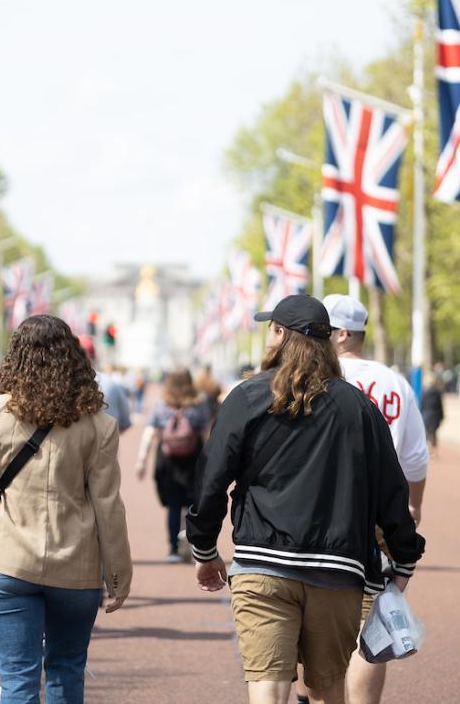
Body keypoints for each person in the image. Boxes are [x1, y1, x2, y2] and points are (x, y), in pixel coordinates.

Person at [186, 294, 425, 704]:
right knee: (328, 689)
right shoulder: (360, 407)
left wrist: (204, 548)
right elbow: (391, 491)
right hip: (337, 570)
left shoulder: (246, 398)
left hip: (262, 562)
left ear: (279, 334)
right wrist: (404, 556)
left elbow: (211, 480)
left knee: (268, 687)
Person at [0, 315, 132, 703]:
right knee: (66, 671)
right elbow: (108, 506)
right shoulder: (99, 424)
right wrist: (118, 574)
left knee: (17, 677)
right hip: (76, 566)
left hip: (8, 558)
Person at [322, 293, 429, 704]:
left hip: (324, 511)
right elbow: (416, 458)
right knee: (372, 622)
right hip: (383, 514)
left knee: (314, 615)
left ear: (342, 334)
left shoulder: (317, 376)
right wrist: (413, 505)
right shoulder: (394, 382)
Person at [135, 367, 210, 563]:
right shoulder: (198, 404)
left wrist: (141, 461)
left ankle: (173, 550)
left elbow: (150, 433)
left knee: (173, 507)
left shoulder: (161, 404)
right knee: (193, 506)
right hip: (193, 462)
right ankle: (193, 545)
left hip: (167, 463)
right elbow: (206, 434)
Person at [78, 334, 131, 432]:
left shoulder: (62, 384)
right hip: (106, 441)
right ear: (94, 357)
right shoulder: (111, 383)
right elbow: (125, 422)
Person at [421, 372, 444, 454]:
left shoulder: (425, 392)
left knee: (427, 433)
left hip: (427, 415)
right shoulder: (438, 392)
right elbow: (440, 405)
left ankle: (429, 450)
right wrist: (442, 416)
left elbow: (422, 404)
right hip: (435, 415)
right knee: (434, 433)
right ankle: (434, 450)